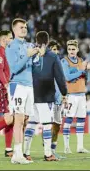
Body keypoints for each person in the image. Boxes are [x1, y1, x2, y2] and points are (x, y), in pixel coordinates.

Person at [23, 31, 67, 161]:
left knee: (31, 123)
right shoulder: (53, 56)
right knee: (47, 124)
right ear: (48, 41)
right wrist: (64, 92)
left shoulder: (30, 54)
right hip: (46, 95)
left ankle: (26, 152)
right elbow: (60, 77)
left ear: (36, 40)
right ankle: (48, 154)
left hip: (31, 94)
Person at [5, 18, 43, 164]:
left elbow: (35, 67)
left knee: (26, 120)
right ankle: (18, 154)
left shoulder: (28, 45)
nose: (24, 29)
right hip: (18, 85)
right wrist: (27, 55)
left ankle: (18, 153)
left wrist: (37, 57)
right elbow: (14, 68)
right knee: (19, 119)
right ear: (14, 30)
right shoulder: (11, 46)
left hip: (29, 86)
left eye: (26, 27)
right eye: (21, 27)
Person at [62, 39, 90, 154]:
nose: (71, 51)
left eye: (73, 49)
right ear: (67, 50)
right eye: (69, 49)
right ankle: (66, 147)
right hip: (71, 95)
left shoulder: (81, 60)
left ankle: (80, 147)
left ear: (77, 50)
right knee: (69, 119)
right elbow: (67, 76)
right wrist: (82, 70)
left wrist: (87, 70)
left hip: (82, 94)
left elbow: (85, 75)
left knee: (81, 119)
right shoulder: (64, 61)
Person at [47, 40, 65, 159]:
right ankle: (46, 150)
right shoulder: (46, 64)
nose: (56, 52)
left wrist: (64, 95)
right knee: (48, 125)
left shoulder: (60, 63)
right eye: (54, 49)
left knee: (57, 126)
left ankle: (52, 150)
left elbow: (62, 81)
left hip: (59, 99)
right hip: (49, 99)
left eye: (57, 49)